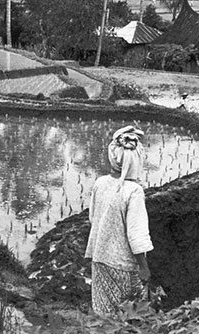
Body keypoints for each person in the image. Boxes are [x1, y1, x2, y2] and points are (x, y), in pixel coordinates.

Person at [85, 125, 153, 316]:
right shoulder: (133, 191)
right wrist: (144, 268)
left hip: (100, 260)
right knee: (130, 316)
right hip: (124, 266)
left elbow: (93, 218)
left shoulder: (100, 183)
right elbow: (137, 235)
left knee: (104, 315)